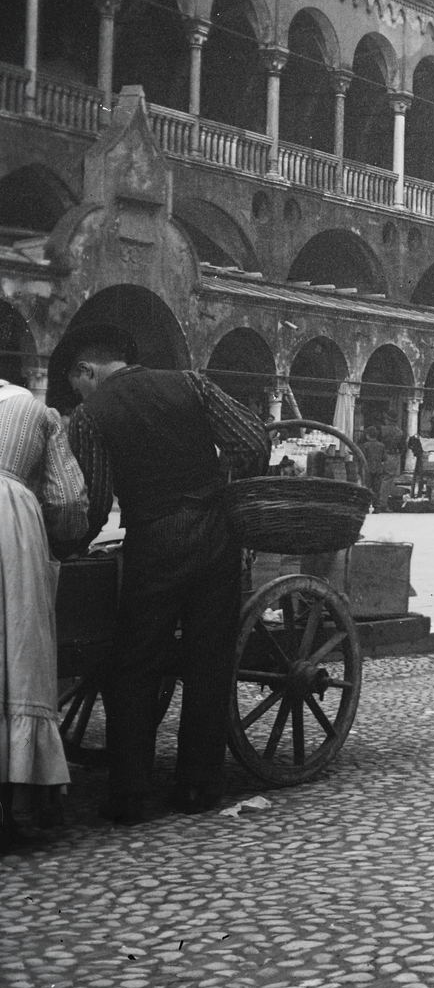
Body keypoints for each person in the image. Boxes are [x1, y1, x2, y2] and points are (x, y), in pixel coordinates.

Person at [64, 325, 269, 822]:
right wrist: (222, 489)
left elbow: (93, 502)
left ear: (87, 371)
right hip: (215, 536)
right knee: (208, 660)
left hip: (154, 540)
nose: (81, 394)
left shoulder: (90, 417)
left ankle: (131, 794)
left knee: (134, 665)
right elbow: (252, 439)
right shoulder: (191, 383)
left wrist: (71, 546)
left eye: (78, 384)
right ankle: (199, 787)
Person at [1, 379, 88, 848]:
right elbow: (68, 499)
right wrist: (67, 536)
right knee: (18, 651)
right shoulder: (32, 410)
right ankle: (15, 802)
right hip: (10, 528)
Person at [359, 428, 388, 513]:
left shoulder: (365, 445)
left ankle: (366, 506)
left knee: (367, 488)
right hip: (378, 470)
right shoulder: (381, 445)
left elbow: (362, 458)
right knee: (377, 489)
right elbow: (384, 458)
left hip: (368, 469)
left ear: (367, 435)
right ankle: (377, 507)